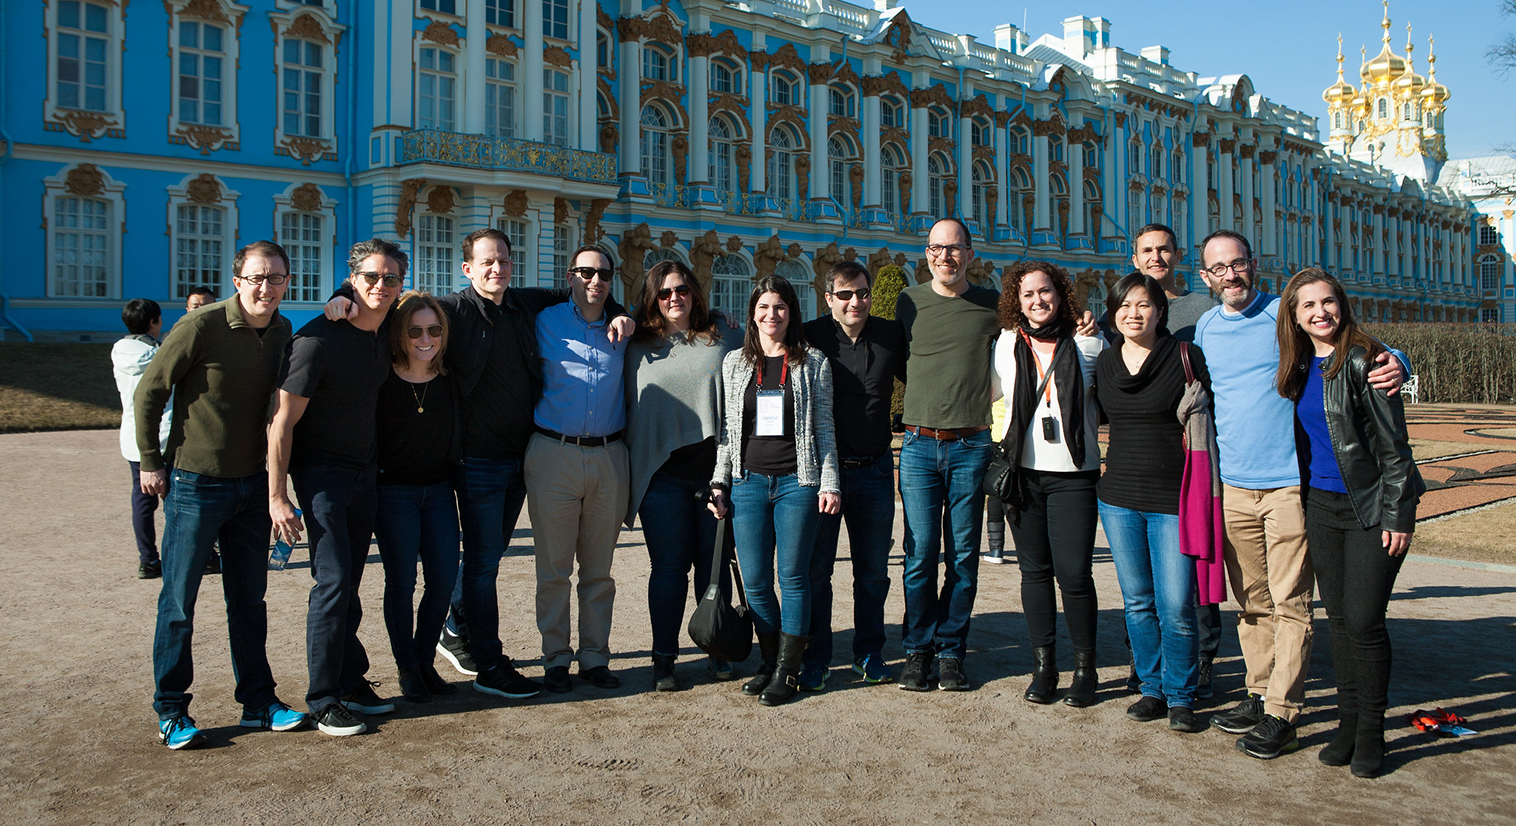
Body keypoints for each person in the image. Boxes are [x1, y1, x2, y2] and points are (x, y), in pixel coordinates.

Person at [323, 229, 631, 701]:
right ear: (467, 268)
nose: (497, 270)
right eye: (487, 263)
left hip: (521, 457)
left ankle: (456, 629)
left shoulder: (525, 305)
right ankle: (488, 660)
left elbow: (584, 292)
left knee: (486, 558)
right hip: (476, 461)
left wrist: (619, 312)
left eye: (504, 262)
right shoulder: (452, 310)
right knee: (482, 564)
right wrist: (342, 297)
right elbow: (395, 304)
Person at [1193, 230, 1405, 760]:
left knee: (1292, 604)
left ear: (1253, 265)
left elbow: (1346, 344)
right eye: (1219, 268)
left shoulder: (1281, 317)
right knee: (1250, 602)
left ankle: (1282, 713)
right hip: (1234, 486)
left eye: (1238, 264)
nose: (1231, 275)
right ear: (1206, 277)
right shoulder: (1206, 326)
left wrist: (1395, 357)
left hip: (1290, 485)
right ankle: (1258, 692)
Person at [136, 241, 306, 749]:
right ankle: (171, 710)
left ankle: (258, 701)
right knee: (179, 603)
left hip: (252, 486)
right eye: (256, 277)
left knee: (249, 600)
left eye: (275, 278)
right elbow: (151, 391)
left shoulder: (282, 331)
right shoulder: (201, 325)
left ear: (286, 283)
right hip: (195, 484)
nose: (265, 287)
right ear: (238, 281)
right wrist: (150, 461)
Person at [1275, 268, 1423, 778]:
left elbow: (1395, 447)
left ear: (1342, 304)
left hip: (1368, 509)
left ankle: (1372, 734)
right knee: (1337, 621)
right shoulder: (1296, 366)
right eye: (1308, 305)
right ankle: (1346, 725)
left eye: (1329, 301)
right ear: (1293, 317)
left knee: (1364, 622)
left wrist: (1398, 513)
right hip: (1321, 506)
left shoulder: (1365, 360)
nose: (1321, 312)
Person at [269, 239, 405, 737]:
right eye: (371, 276)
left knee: (348, 583)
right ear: (352, 279)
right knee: (332, 583)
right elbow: (280, 424)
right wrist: (277, 497)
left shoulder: (390, 326)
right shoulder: (317, 341)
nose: (380, 285)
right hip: (321, 475)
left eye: (391, 278)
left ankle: (350, 680)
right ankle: (324, 698)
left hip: (365, 473)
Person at [709, 274, 840, 707]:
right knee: (758, 580)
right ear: (752, 314)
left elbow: (824, 426)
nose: (772, 315)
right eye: (764, 307)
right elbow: (729, 432)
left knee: (794, 578)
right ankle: (769, 660)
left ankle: (788, 670)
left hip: (796, 484)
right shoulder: (734, 363)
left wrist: (829, 480)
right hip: (747, 484)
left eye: (780, 307)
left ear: (791, 313)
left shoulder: (812, 362)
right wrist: (720, 482)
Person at [1108, 224, 1222, 697]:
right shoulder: (1110, 349)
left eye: (1164, 250)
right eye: (1147, 251)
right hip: (1123, 488)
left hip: (1178, 480)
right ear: (1134, 258)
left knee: (1184, 597)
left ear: (1178, 256)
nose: (1156, 257)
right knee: (1141, 599)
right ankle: (1150, 677)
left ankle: (1198, 670)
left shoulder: (1205, 314)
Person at [1095, 272, 1210, 733]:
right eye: (1124, 306)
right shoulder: (1104, 362)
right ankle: (1152, 688)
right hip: (1118, 497)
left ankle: (1182, 694)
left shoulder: (1185, 356)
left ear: (1161, 312)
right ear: (1113, 313)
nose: (1133, 313)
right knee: (1137, 602)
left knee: (1177, 605)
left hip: (1172, 497)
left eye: (1143, 305)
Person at [893, 218, 1001, 693]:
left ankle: (952, 650)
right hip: (917, 445)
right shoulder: (908, 302)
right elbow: (893, 359)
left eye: (954, 249)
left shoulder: (993, 305)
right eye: (937, 248)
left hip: (970, 445)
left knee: (962, 557)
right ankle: (918, 651)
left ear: (970, 254)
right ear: (927, 254)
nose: (946, 257)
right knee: (919, 556)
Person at [624, 259, 742, 691]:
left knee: (713, 568)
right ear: (653, 297)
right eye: (665, 292)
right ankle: (663, 660)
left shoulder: (724, 335)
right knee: (669, 569)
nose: (675, 299)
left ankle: (718, 647)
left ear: (695, 292)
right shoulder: (635, 344)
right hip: (662, 478)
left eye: (683, 290)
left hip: (715, 475)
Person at [992, 261, 1106, 708]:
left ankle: (1085, 669)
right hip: (1024, 474)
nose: (1038, 301)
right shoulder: (1004, 344)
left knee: (1075, 574)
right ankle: (1045, 667)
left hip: (1074, 475)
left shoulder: (1089, 342)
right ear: (1016, 302)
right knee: (1033, 573)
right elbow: (989, 396)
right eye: (1027, 295)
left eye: (1045, 292)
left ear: (1060, 294)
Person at [525, 245, 630, 693]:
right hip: (554, 453)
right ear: (570, 276)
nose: (595, 280)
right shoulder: (543, 320)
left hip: (609, 456)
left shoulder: (626, 329)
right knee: (552, 568)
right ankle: (554, 659)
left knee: (599, 569)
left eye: (604, 273)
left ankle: (594, 656)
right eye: (586, 272)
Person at [799, 260, 907, 689]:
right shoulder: (809, 336)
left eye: (862, 293)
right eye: (844, 295)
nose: (855, 302)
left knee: (873, 571)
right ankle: (816, 657)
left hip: (877, 469)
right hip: (826, 475)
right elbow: (760, 339)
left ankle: (869, 653)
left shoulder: (891, 334)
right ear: (829, 299)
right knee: (816, 571)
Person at [372, 291, 462, 703]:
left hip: (440, 492)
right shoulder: (382, 378)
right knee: (402, 583)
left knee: (443, 580)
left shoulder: (449, 378)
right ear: (400, 334)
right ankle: (407, 668)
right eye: (415, 331)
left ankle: (425, 662)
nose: (426, 338)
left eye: (434, 330)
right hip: (394, 494)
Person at [113, 298, 171, 580]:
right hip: (165, 435)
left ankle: (148, 560)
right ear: (154, 323)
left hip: (133, 437)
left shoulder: (118, 351)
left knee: (142, 501)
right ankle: (201, 556)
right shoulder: (162, 354)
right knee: (180, 503)